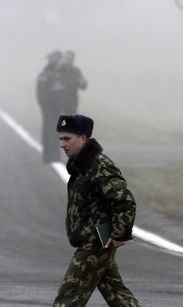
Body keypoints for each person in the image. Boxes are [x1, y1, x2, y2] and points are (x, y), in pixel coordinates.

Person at [52, 114, 139, 307]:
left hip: (94, 246)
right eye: (61, 139)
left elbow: (124, 200)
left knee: (68, 299)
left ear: (83, 138)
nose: (62, 144)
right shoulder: (81, 166)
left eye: (67, 139)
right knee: (119, 297)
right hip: (95, 243)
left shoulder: (99, 166)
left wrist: (119, 234)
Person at [36, 50, 64, 162]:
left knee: (53, 131)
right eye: (58, 60)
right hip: (49, 107)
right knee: (51, 131)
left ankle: (51, 156)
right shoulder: (46, 74)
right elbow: (41, 92)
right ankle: (50, 156)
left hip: (56, 107)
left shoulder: (57, 74)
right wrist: (45, 106)